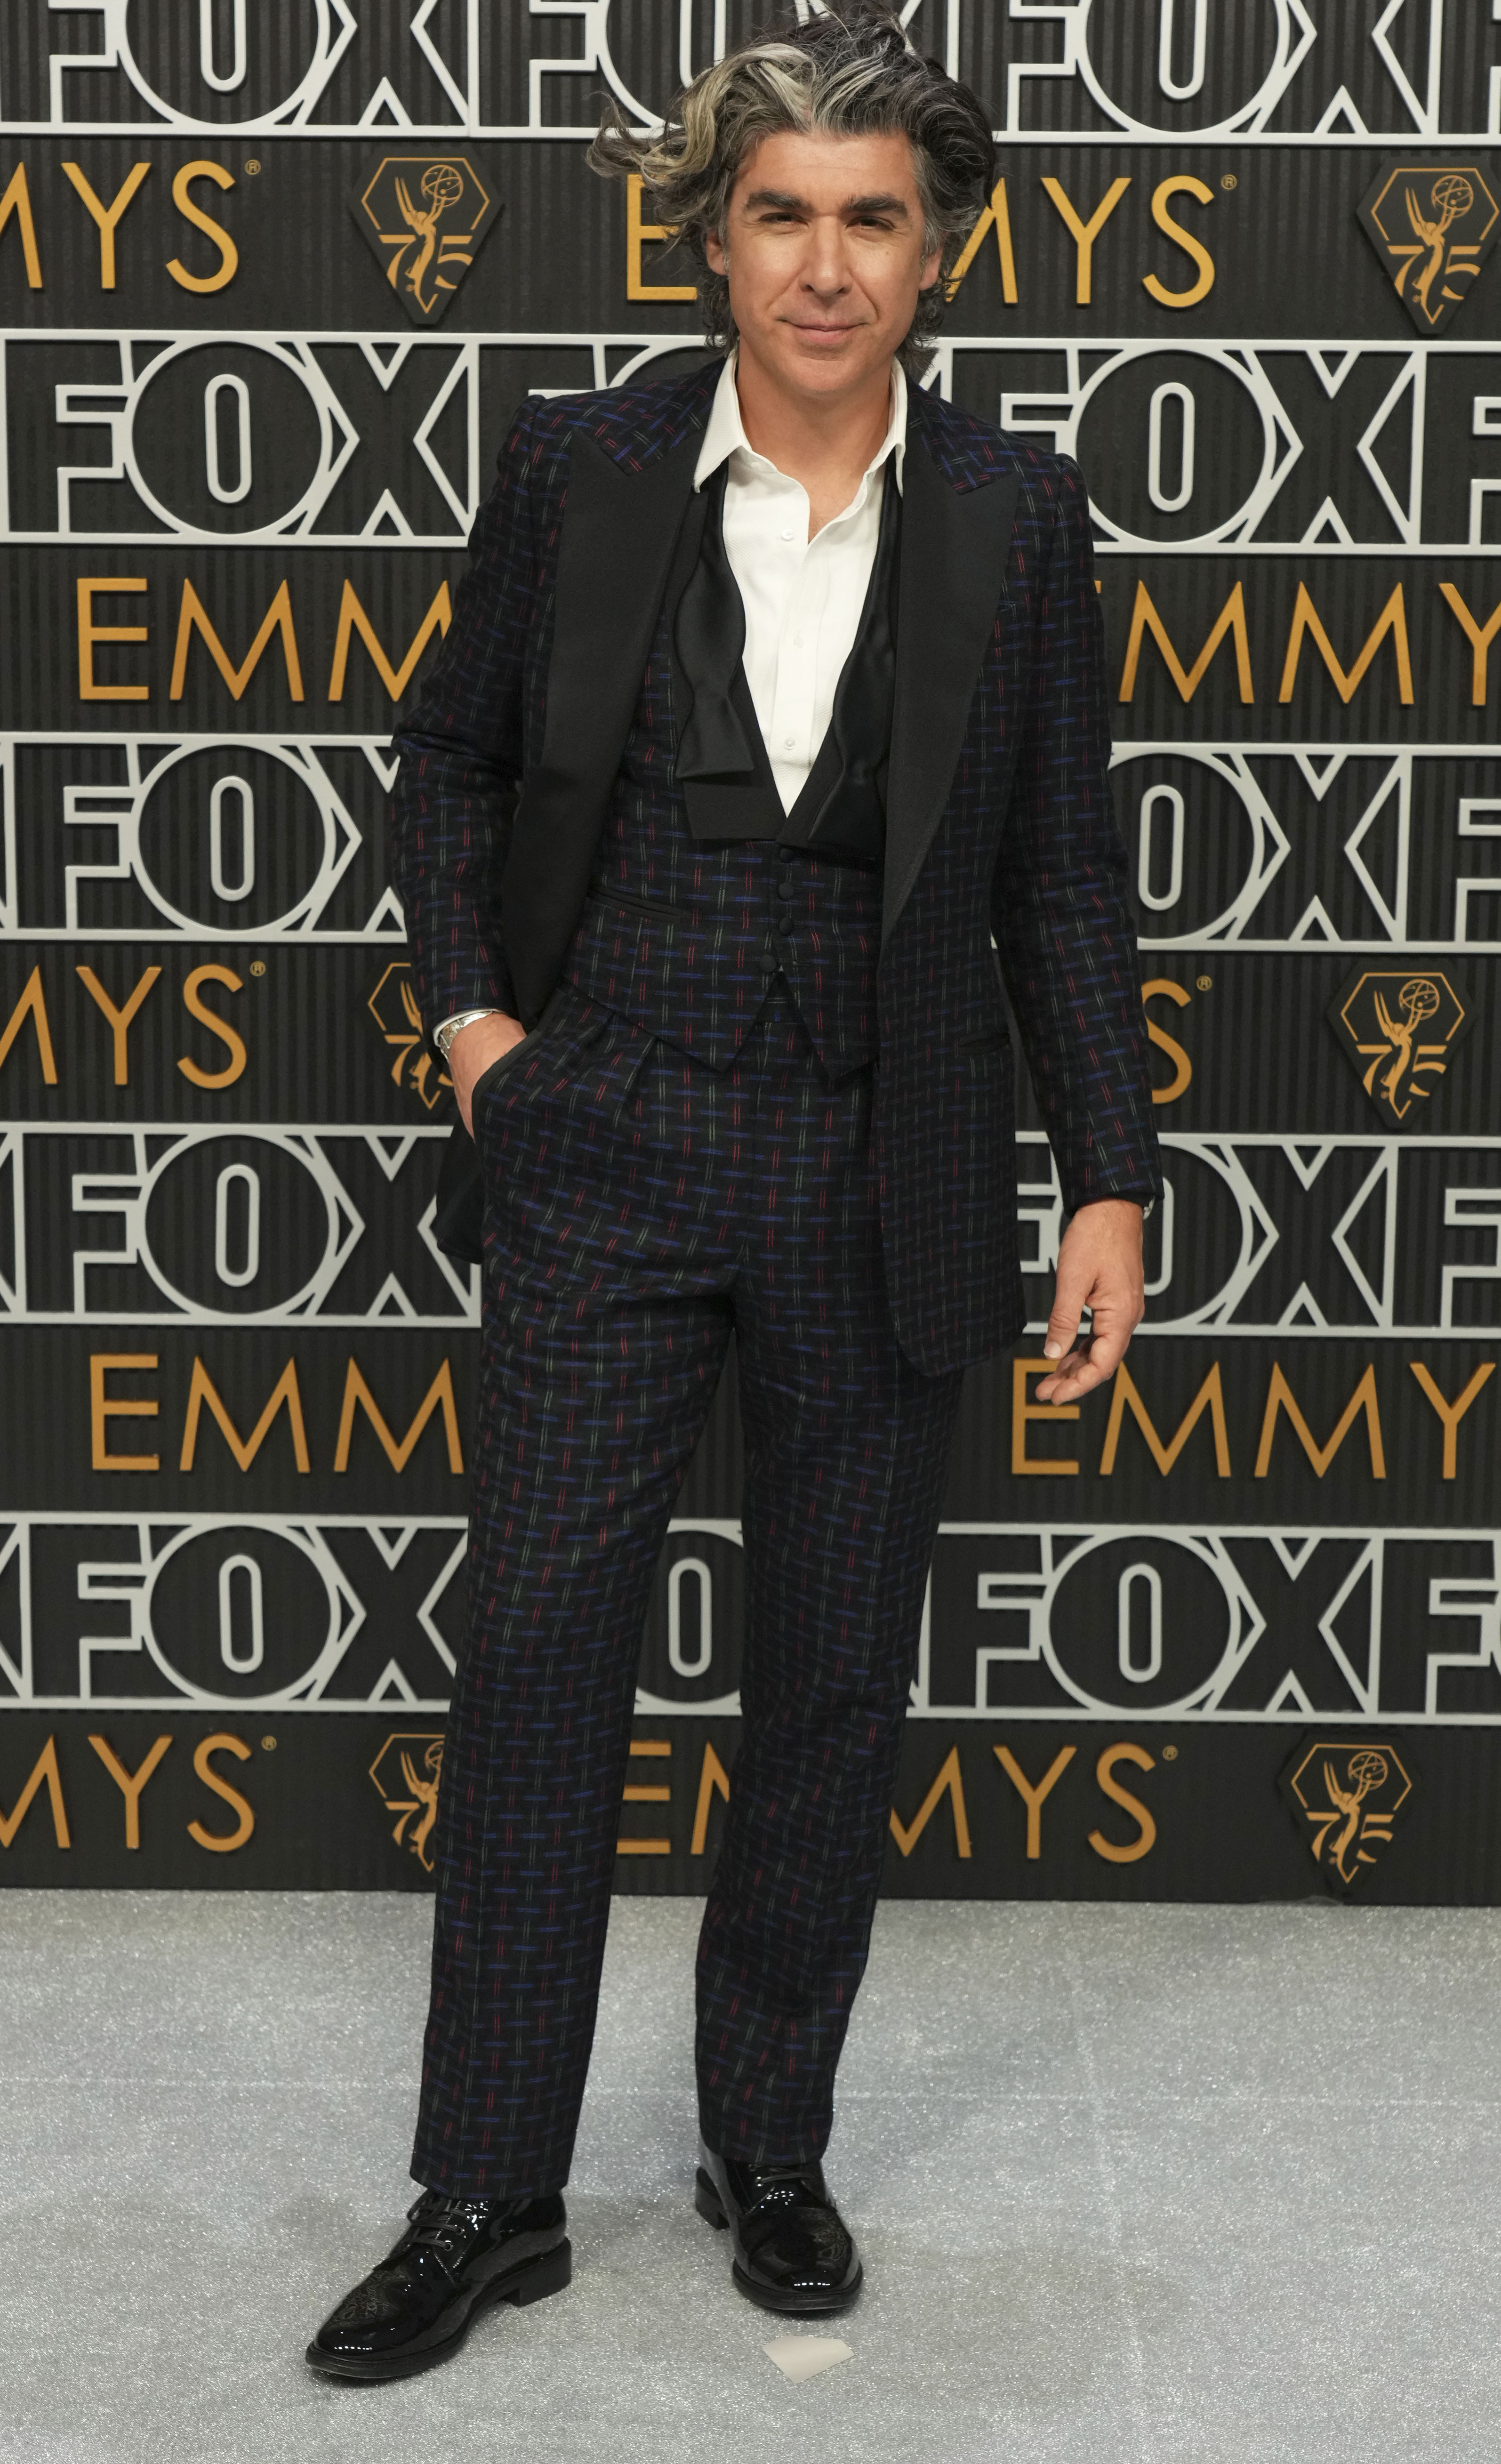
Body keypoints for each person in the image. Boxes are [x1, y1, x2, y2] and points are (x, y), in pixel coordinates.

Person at [306, 1, 1160, 2383]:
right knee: (541, 1668)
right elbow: (447, 764)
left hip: (886, 1163)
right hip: (600, 1142)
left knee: (828, 1679)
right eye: (779, 212)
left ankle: (765, 2143)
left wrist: (1112, 1177)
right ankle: (483, 2191)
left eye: (871, 216)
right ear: (709, 236)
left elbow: (1067, 882)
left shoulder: (1016, 514)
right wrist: (481, 1034)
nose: (824, 263)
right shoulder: (576, 469)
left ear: (939, 245)